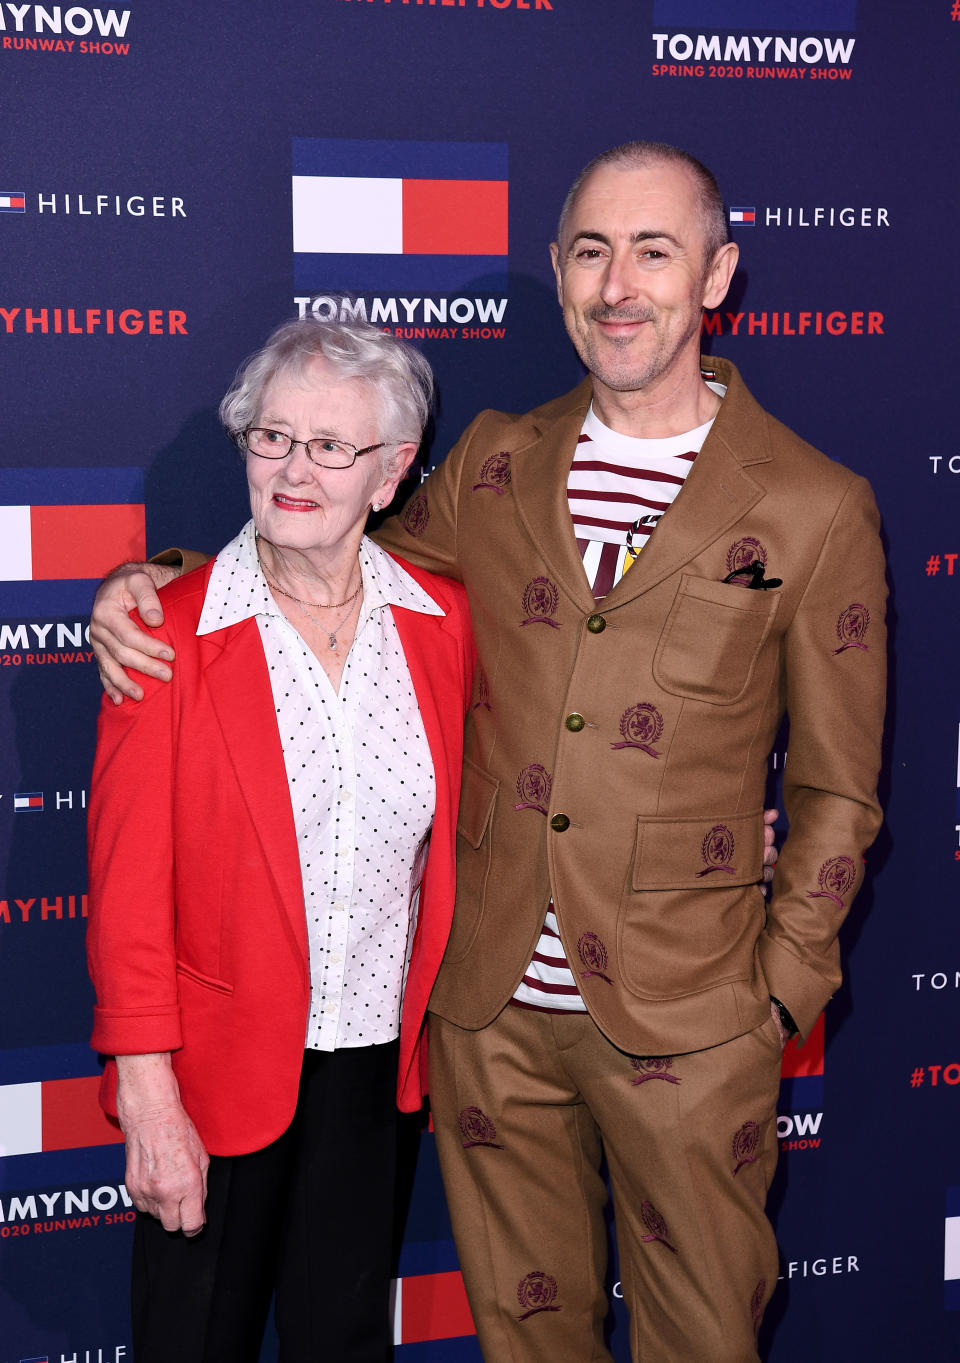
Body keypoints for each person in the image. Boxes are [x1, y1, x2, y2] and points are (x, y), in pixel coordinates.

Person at [90, 141, 886, 1362]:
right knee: (525, 1338)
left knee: (704, 1338)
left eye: (654, 251)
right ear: (560, 275)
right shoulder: (499, 461)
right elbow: (331, 546)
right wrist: (164, 586)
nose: (618, 283)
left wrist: (779, 990)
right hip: (487, 1019)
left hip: (694, 1021)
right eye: (590, 251)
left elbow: (838, 787)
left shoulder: (812, 503)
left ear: (717, 274)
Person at [85, 316, 475, 1363]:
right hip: (211, 1082)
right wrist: (148, 1091)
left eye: (332, 446)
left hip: (372, 1073)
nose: (295, 468)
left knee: (343, 1342)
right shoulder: (165, 633)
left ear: (391, 473)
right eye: (272, 437)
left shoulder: (444, 624)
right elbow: (125, 891)